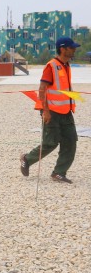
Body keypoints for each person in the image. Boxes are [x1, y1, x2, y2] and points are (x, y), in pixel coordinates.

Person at [19, 36, 80, 184]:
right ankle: (27, 159)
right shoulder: (51, 66)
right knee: (50, 143)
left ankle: (59, 173)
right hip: (51, 111)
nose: (74, 50)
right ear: (63, 49)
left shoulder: (66, 65)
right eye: (71, 47)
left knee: (70, 141)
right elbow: (42, 89)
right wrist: (45, 111)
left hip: (66, 111)